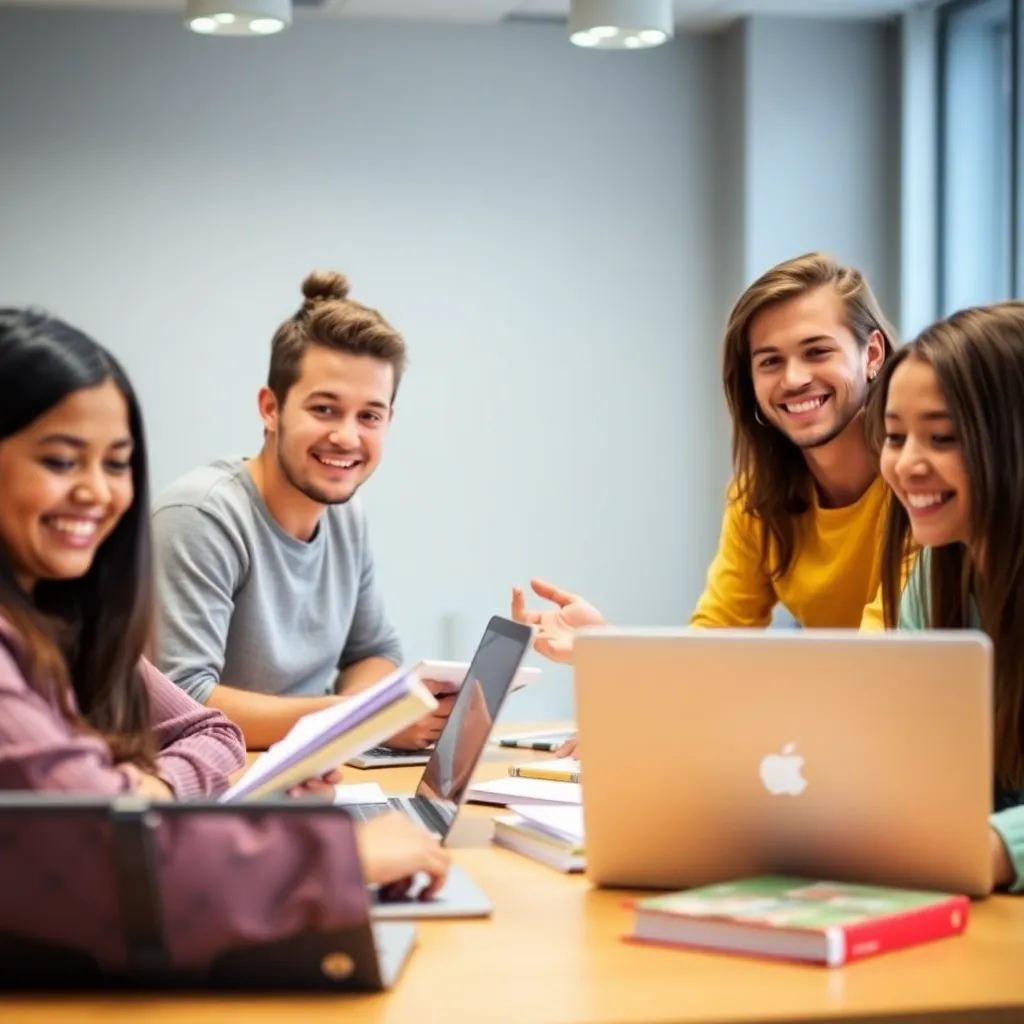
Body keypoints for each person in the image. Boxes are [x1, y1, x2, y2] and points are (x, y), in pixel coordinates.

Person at [0, 308, 449, 967]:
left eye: (117, 463)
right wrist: (340, 856)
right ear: (271, 408)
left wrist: (148, 792)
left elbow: (211, 735)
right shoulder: (202, 514)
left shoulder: (64, 618)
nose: (96, 492)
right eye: (63, 460)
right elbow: (102, 853)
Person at [512, 253, 897, 753]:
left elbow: (882, 662)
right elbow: (718, 644)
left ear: (871, 354)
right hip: (836, 744)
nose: (794, 378)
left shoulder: (918, 486)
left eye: (817, 351)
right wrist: (608, 648)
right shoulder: (759, 498)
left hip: (895, 734)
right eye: (770, 361)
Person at [150, 271, 455, 751]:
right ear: (270, 408)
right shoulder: (199, 516)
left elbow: (374, 652)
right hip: (208, 787)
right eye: (325, 409)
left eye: (369, 416)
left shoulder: (346, 516)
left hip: (306, 775)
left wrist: (357, 723)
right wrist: (361, 720)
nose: (348, 437)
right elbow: (183, 702)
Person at [873, 300, 1024, 893]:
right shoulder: (938, 575)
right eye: (894, 437)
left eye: (943, 437)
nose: (907, 464)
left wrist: (990, 848)